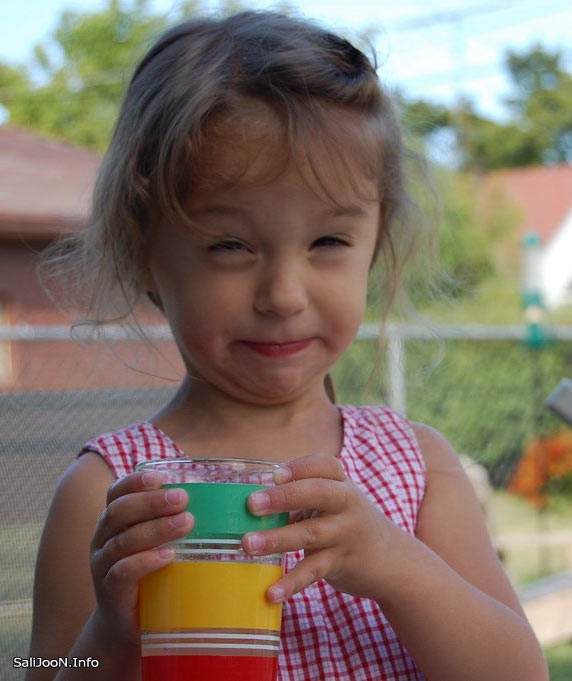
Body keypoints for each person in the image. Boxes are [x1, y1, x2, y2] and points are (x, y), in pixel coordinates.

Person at [27, 10, 548, 681]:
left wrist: (396, 564)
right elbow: (41, 663)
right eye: (229, 245)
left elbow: (521, 671)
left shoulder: (417, 468)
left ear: (374, 245)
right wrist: (112, 632)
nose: (284, 294)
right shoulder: (111, 493)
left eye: (328, 241)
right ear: (143, 252)